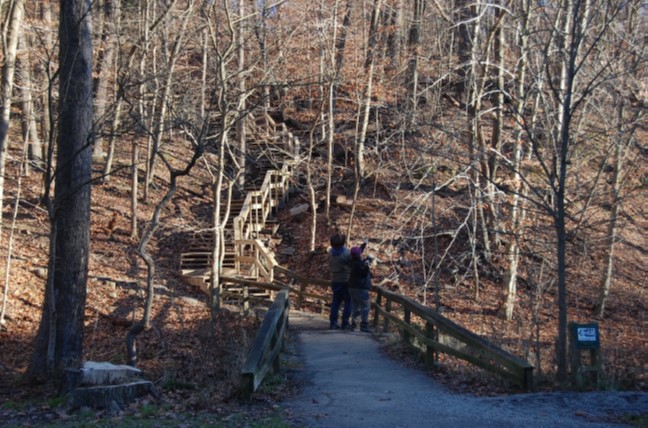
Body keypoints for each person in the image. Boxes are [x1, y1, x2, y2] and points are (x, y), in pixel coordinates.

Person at [328, 233, 352, 330]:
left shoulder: (330, 252)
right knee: (348, 302)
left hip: (335, 280)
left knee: (336, 303)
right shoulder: (347, 253)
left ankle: (333, 323)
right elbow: (352, 264)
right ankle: (345, 323)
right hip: (346, 281)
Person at [348, 244, 372, 332]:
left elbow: (358, 253)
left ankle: (354, 325)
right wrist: (367, 266)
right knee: (365, 306)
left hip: (352, 287)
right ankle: (364, 325)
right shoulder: (358, 264)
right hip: (360, 288)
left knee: (355, 306)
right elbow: (363, 274)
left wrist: (364, 244)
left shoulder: (352, 261)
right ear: (359, 255)